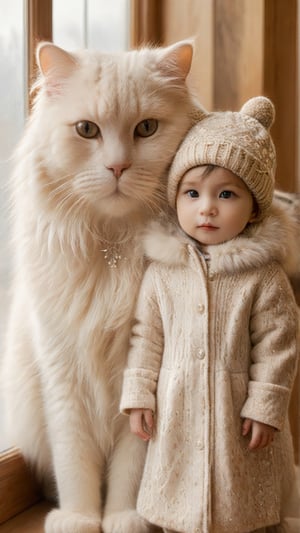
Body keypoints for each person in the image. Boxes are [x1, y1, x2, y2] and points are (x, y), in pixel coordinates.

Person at [120, 96, 299, 533]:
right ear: (175, 198)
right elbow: (147, 336)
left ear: (254, 206)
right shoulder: (163, 272)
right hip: (177, 403)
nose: (207, 208)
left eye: (226, 194)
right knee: (176, 484)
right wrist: (141, 392)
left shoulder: (264, 275)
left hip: (238, 411)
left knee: (242, 491)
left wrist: (265, 404)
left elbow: (281, 342)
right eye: (193, 193)